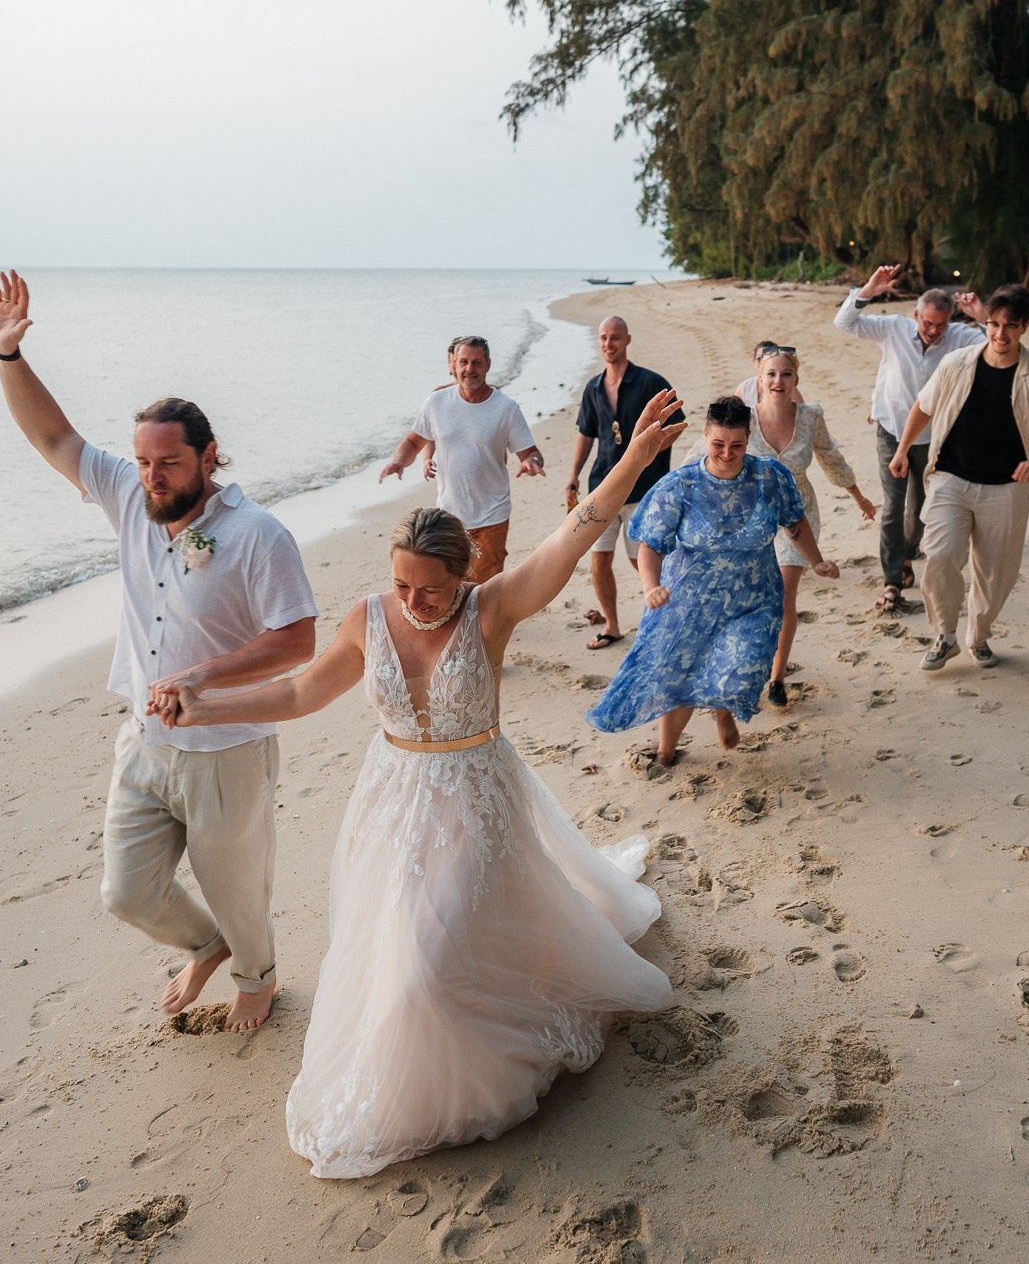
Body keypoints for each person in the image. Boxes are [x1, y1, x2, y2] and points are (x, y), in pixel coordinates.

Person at [159, 392, 689, 1178]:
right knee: (398, 956)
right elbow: (302, 693)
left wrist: (634, 459)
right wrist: (204, 704)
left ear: (465, 572)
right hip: (391, 802)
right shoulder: (367, 618)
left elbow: (571, 537)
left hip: (476, 798)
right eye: (403, 585)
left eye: (429, 588)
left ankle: (477, 1073)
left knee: (429, 963)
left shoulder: (495, 606)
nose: (414, 601)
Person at [0, 271, 317, 1034]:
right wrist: (6, 357)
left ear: (209, 457)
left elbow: (298, 640)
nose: (150, 477)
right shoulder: (129, 499)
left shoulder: (258, 534)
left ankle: (258, 978)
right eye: (141, 461)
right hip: (144, 741)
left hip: (225, 749)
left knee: (241, 890)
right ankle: (205, 945)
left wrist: (204, 675)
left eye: (167, 463)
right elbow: (54, 437)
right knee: (125, 892)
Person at [588, 396, 840, 766]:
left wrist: (816, 561)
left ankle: (723, 709)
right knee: (677, 680)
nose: (727, 453)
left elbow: (794, 523)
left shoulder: (770, 478)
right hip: (687, 602)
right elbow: (650, 547)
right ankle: (665, 751)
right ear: (705, 435)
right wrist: (650, 587)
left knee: (738, 671)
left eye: (737, 445)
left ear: (748, 438)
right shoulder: (681, 486)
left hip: (753, 601)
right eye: (718, 444)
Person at [890, 283, 1029, 671]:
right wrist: (903, 449)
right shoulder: (957, 363)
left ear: (1025, 326)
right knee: (939, 555)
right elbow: (923, 407)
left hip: (1007, 488)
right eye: (993, 324)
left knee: (995, 575)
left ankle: (979, 634)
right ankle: (944, 635)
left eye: (1009, 326)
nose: (999, 334)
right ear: (985, 323)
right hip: (950, 478)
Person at [835, 266, 986, 610]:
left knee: (920, 506)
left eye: (940, 325)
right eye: (927, 323)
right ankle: (892, 579)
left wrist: (982, 315)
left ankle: (907, 552)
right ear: (915, 314)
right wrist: (868, 290)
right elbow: (844, 323)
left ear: (950, 320)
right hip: (891, 429)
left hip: (935, 436)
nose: (933, 331)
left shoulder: (959, 335)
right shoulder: (894, 329)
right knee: (892, 507)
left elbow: (996, 344)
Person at [746, 348, 875, 706]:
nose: (778, 381)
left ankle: (776, 677)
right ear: (759, 380)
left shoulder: (810, 417)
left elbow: (830, 456)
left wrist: (858, 496)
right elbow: (706, 454)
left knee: (784, 596)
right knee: (757, 596)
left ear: (796, 381)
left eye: (786, 374)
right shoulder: (744, 418)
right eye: (771, 374)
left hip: (798, 512)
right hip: (752, 515)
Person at [565, 316, 687, 649]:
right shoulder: (592, 388)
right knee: (599, 559)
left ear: (628, 340)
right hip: (602, 488)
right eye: (603, 338)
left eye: (615, 337)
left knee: (642, 560)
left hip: (644, 489)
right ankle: (612, 626)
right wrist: (574, 474)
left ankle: (670, 620)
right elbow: (586, 434)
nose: (609, 344)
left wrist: (646, 453)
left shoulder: (650, 383)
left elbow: (676, 425)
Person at [380, 335, 543, 581]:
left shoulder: (506, 408)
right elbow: (414, 441)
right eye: (464, 362)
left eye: (477, 362)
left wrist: (531, 462)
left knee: (482, 589)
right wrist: (399, 461)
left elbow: (531, 452)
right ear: (454, 365)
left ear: (488, 364)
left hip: (492, 515)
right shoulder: (437, 402)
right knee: (450, 585)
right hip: (448, 516)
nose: (470, 369)